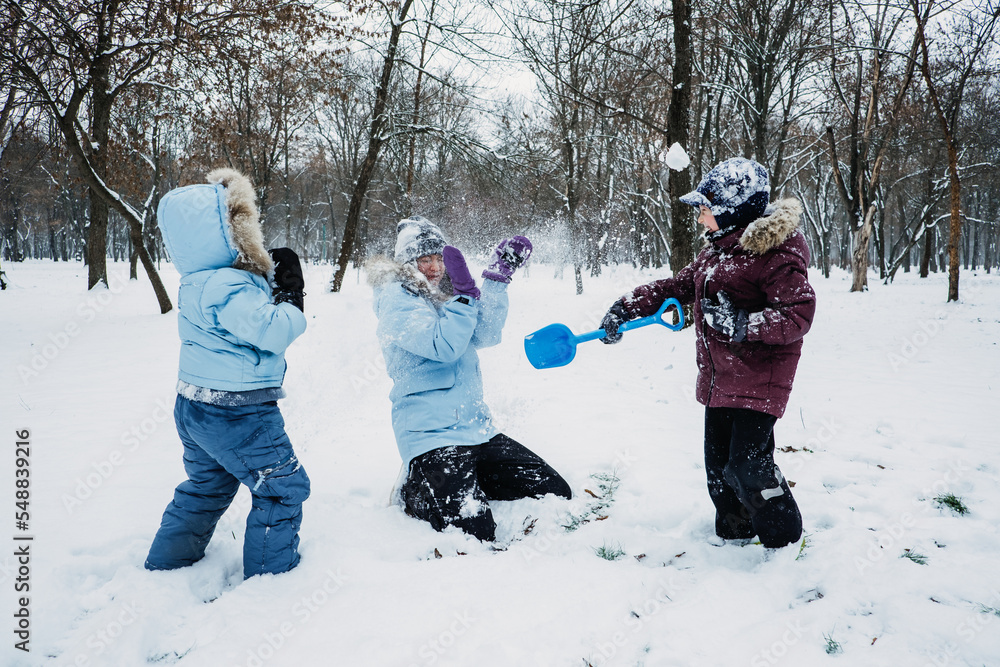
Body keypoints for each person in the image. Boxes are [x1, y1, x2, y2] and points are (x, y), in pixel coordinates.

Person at [600, 158, 816, 548]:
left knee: (748, 467)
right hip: (720, 380)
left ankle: (783, 538)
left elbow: (796, 315)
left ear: (733, 210)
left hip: (760, 382)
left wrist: (742, 324)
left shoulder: (777, 253)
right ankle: (734, 536)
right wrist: (626, 308)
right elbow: (679, 287)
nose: (700, 218)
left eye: (705, 209)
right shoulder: (716, 251)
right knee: (718, 469)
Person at [145, 168, 310, 579]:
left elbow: (241, 319)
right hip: (238, 413)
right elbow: (270, 330)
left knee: (206, 487)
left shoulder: (199, 281)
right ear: (226, 234)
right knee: (281, 488)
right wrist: (291, 298)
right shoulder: (227, 285)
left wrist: (269, 281)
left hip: (195, 406)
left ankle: (166, 566)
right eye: (244, 224)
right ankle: (271, 581)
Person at [367, 216, 571, 542]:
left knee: (552, 490)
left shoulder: (446, 294)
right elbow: (443, 345)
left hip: (477, 430)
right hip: (430, 436)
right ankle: (416, 489)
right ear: (407, 262)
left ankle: (467, 480)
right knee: (475, 533)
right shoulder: (396, 299)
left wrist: (495, 280)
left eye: (439, 258)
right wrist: (464, 297)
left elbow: (484, 334)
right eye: (424, 259)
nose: (434, 267)